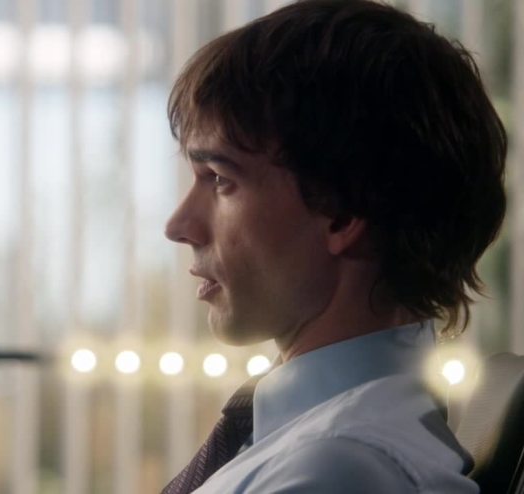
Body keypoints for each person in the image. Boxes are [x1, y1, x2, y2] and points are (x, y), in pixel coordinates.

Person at [161, 0, 507, 493]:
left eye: (220, 179)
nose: (179, 226)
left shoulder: (331, 472)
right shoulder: (311, 440)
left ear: (343, 213)